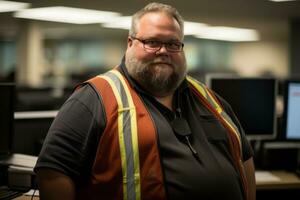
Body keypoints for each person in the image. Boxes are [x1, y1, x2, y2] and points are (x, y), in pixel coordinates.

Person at [34, 2, 256, 200]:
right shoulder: (94, 98)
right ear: (130, 43)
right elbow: (53, 172)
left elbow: (244, 158)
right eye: (152, 42)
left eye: (173, 44)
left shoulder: (208, 98)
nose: (163, 51)